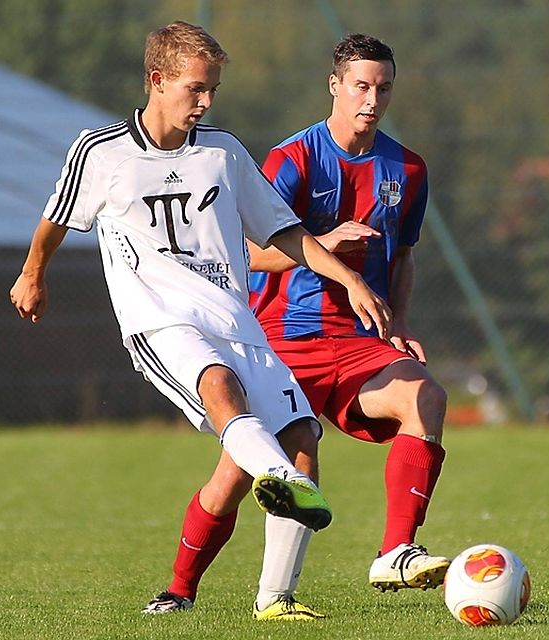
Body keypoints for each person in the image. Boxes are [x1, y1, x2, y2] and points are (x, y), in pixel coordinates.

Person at [8, 20, 391, 619]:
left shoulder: (223, 151)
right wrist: (33, 273)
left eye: (213, 89)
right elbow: (56, 218)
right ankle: (272, 477)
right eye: (196, 88)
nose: (207, 101)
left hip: (237, 321)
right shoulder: (100, 151)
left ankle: (275, 600)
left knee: (303, 442)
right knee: (220, 387)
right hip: (159, 323)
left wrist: (351, 279)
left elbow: (285, 232)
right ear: (158, 82)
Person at [146, 33, 449, 621]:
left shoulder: (407, 168)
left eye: (383, 88)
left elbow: (404, 254)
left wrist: (400, 324)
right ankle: (180, 589)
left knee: (425, 396)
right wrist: (320, 248)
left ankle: (395, 551)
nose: (372, 99)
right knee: (238, 475)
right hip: (281, 339)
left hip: (360, 343)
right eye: (360, 85)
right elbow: (244, 249)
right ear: (334, 86)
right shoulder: (294, 160)